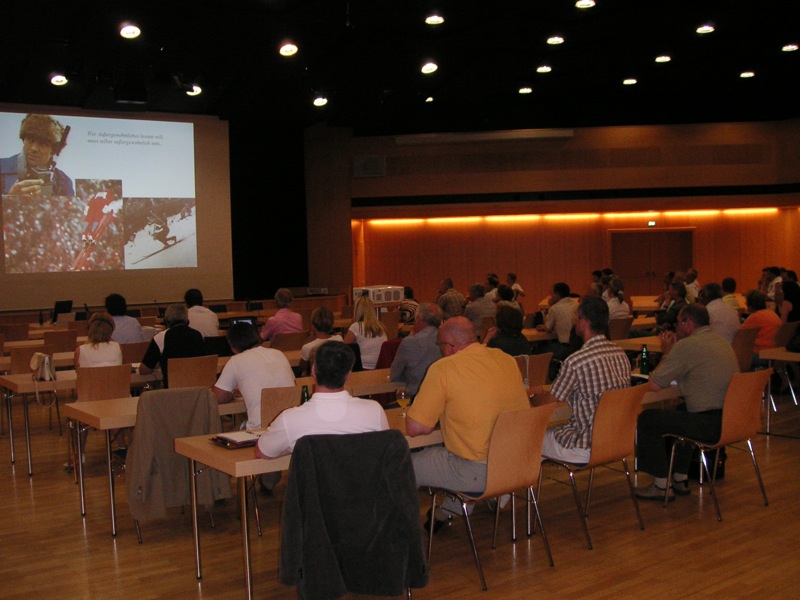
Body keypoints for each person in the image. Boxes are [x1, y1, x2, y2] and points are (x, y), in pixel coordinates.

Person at [405, 317, 529, 530]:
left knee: (402, 464)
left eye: (440, 345)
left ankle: (396, 529)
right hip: (518, 465)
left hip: (478, 473)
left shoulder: (444, 368)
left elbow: (416, 428)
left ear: (450, 346)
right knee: (458, 451)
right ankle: (451, 509)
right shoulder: (506, 360)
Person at [635, 303, 738, 499]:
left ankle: (661, 485)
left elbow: (654, 384)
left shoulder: (686, 346)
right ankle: (679, 478)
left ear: (688, 323)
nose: (676, 328)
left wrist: (668, 352)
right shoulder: (722, 342)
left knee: (648, 419)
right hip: (731, 419)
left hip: (709, 424)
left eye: (678, 323)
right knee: (682, 410)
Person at [529, 296, 630, 464]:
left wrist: (532, 396)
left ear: (583, 322)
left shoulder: (576, 361)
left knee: (530, 437)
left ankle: (522, 480)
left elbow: (545, 403)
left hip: (585, 446)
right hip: (616, 440)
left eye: (577, 317)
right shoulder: (621, 354)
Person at [255, 342, 389, 459]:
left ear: (313, 370)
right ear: (349, 375)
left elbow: (262, 453)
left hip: (313, 482)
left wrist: (293, 449)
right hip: (361, 481)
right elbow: (384, 452)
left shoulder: (290, 419)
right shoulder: (374, 411)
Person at [213, 323, 296, 430]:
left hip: (259, 430)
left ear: (233, 348)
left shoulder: (235, 361)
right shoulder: (279, 353)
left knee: (231, 431)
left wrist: (232, 394)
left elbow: (217, 397)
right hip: (291, 426)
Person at [1, 113, 74, 196]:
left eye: (43, 144)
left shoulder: (64, 182)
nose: (33, 148)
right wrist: (10, 198)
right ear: (23, 140)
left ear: (53, 151)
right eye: (30, 140)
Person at [139, 304, 206, 388]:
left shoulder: (160, 337)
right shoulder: (198, 335)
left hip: (172, 391)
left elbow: (144, 370)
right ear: (187, 320)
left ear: (166, 321)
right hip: (198, 388)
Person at [390, 302, 443, 397]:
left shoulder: (409, 342)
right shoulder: (446, 339)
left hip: (416, 395)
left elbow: (394, 375)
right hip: (442, 395)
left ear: (418, 319)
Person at [537, 282, 578, 376]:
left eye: (552, 294)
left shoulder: (554, 308)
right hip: (578, 346)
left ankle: (547, 377)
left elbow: (548, 328)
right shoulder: (577, 305)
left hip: (564, 347)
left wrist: (543, 326)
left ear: (556, 295)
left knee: (539, 351)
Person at [343, 294, 388, 369]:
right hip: (380, 367)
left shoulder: (356, 326)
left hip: (363, 367)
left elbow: (343, 349)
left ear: (356, 311)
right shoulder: (380, 327)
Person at [297, 306, 343, 376]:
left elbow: (302, 367)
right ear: (332, 323)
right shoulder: (339, 339)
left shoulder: (307, 347)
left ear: (313, 325)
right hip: (337, 376)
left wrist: (310, 339)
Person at [741, 290, 781, 368]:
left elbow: (740, 336)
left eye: (746, 302)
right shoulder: (772, 314)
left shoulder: (755, 317)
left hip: (761, 354)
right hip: (775, 353)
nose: (745, 303)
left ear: (750, 306)